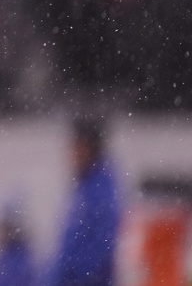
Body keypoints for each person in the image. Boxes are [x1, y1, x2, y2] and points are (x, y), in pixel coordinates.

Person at [44, 116, 121, 286]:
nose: (72, 153)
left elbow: (100, 250)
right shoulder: (84, 186)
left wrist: (69, 278)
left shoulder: (100, 191)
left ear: (93, 149)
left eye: (78, 146)